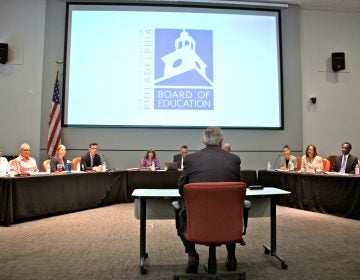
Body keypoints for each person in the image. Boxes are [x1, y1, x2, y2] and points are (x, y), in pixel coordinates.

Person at [177, 127, 241, 274]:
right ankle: (231, 256)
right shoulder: (234, 160)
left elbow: (181, 189)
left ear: (203, 141)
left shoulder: (191, 159)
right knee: (230, 212)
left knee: (181, 216)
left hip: (197, 219)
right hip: (228, 220)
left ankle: (192, 255)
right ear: (221, 141)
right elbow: (238, 192)